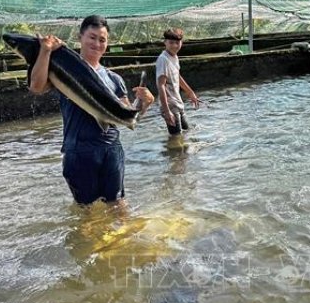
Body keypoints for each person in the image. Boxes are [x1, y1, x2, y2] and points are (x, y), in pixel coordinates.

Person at [28, 15, 155, 210]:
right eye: (92, 37)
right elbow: (36, 87)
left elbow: (129, 117)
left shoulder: (114, 79)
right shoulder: (63, 67)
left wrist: (145, 103)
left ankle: (124, 240)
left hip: (111, 149)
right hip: (79, 151)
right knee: (85, 211)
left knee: (118, 206)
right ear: (80, 37)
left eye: (102, 39)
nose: (97, 43)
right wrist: (45, 51)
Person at [156, 28, 200, 135]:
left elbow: (177, 77)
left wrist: (190, 93)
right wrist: (166, 111)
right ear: (165, 42)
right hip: (170, 105)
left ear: (181, 43)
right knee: (176, 137)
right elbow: (161, 85)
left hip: (178, 102)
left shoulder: (174, 57)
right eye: (171, 42)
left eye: (177, 42)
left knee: (187, 131)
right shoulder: (163, 59)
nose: (175, 45)